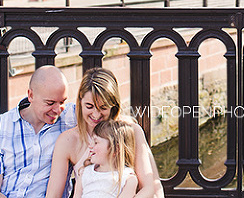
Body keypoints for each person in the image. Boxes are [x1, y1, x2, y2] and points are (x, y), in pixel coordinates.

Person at [45, 68, 164, 198]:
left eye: (103, 108)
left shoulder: (130, 130)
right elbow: (53, 195)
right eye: (89, 106)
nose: (96, 115)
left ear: (113, 105)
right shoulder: (67, 141)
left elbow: (150, 188)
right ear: (80, 102)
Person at [0, 65, 77, 198]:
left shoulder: (71, 118)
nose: (57, 110)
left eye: (62, 102)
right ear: (30, 95)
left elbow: (102, 111)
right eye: (50, 103)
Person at [74, 120, 138, 198]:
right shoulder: (85, 173)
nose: (90, 146)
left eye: (96, 142)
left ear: (116, 148)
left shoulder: (127, 178)